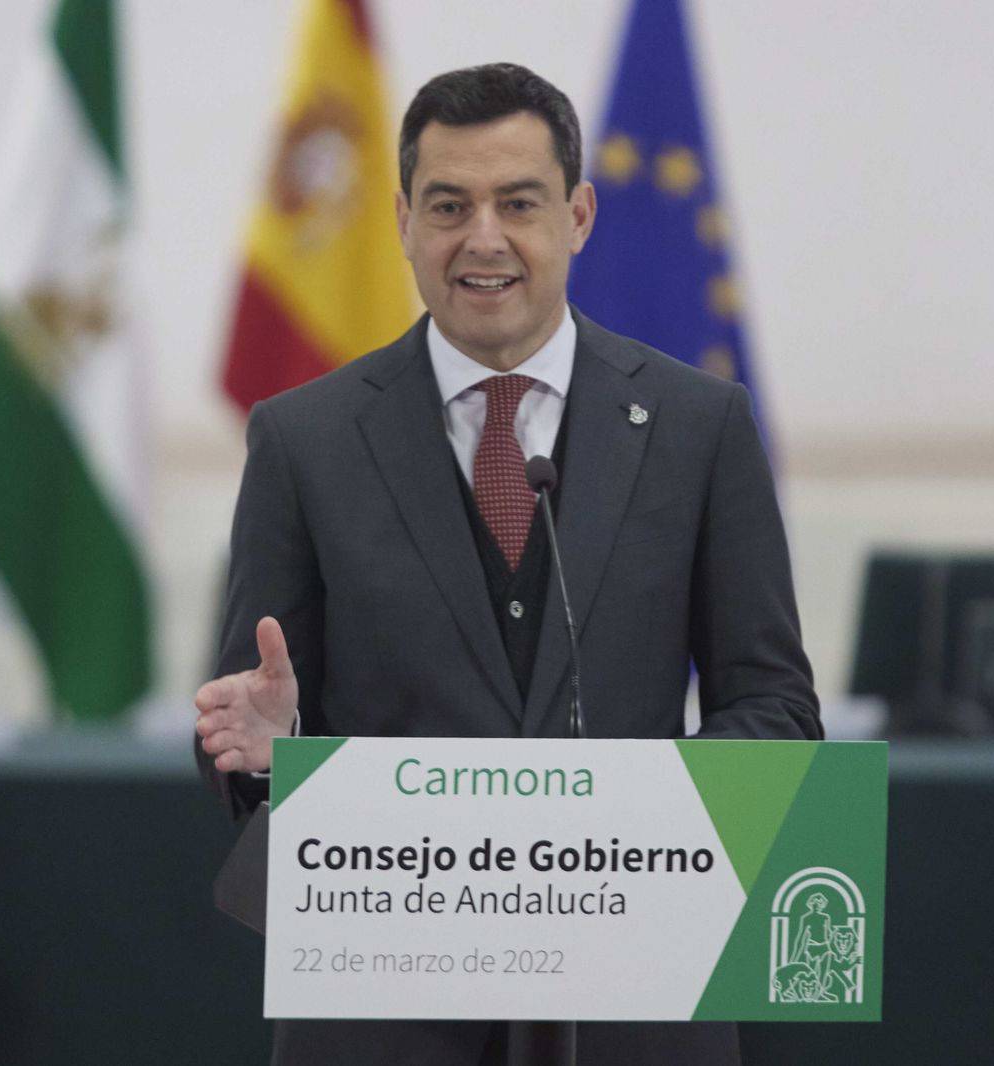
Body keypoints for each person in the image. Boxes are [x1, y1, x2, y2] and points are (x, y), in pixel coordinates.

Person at [195, 62, 820, 1066]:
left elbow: (776, 708)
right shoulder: (301, 439)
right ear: (401, 219)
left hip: (634, 995)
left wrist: (627, 826)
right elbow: (248, 721)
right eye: (448, 205)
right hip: (384, 1009)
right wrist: (281, 741)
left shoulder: (699, 426)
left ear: (577, 214)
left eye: (517, 203)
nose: (482, 237)